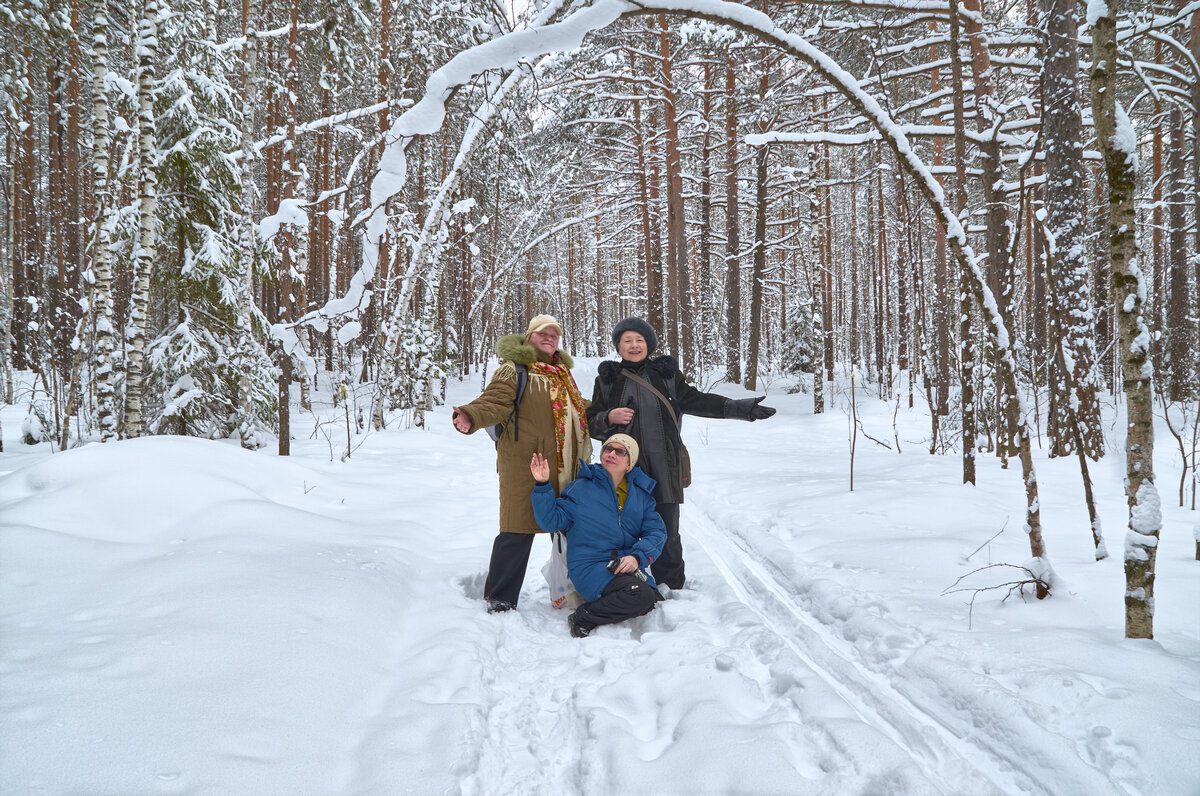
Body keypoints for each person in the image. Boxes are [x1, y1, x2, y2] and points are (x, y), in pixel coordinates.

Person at [586, 317, 776, 591]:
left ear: (649, 345)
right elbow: (591, 422)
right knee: (621, 526)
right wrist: (608, 416)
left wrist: (741, 408)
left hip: (665, 464)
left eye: (639, 340)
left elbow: (696, 400)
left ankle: (671, 584)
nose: (634, 345)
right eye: (627, 340)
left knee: (666, 528)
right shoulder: (606, 381)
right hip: (624, 469)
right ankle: (623, 581)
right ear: (618, 347)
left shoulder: (667, 376)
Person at [452, 314, 592, 613]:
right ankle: (500, 597)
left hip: (567, 466)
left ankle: (577, 589)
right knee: (517, 529)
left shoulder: (562, 375)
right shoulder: (513, 371)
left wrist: (608, 414)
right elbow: (495, 401)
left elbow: (578, 409)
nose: (549, 337)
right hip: (526, 465)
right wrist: (470, 416)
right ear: (529, 337)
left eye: (555, 334)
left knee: (572, 529)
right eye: (543, 332)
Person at [530, 434, 666, 638]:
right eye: (607, 449)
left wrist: (637, 556)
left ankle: (613, 598)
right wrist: (542, 484)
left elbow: (656, 532)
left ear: (629, 463)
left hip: (623, 564)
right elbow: (551, 520)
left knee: (651, 598)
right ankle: (583, 617)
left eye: (620, 451)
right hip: (590, 565)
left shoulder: (641, 496)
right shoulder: (581, 488)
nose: (611, 453)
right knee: (640, 595)